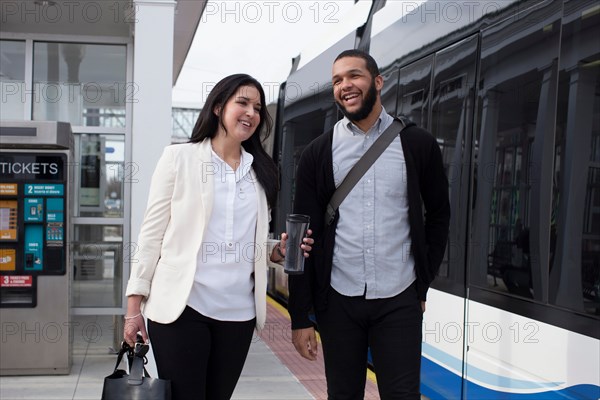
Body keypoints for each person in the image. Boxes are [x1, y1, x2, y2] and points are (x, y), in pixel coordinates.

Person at [123, 74, 313, 400]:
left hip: (237, 315)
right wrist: (133, 307)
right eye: (242, 102)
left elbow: (244, 241)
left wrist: (276, 251)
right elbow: (151, 234)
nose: (251, 112)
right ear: (217, 107)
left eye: (257, 107)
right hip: (182, 310)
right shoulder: (179, 158)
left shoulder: (260, 171)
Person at [288, 50, 450, 399]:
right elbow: (301, 236)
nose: (345, 85)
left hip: (399, 298)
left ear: (378, 82)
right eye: (337, 80)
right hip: (339, 300)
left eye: (354, 76)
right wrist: (300, 317)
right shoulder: (318, 153)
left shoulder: (417, 144)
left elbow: (439, 214)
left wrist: (422, 282)